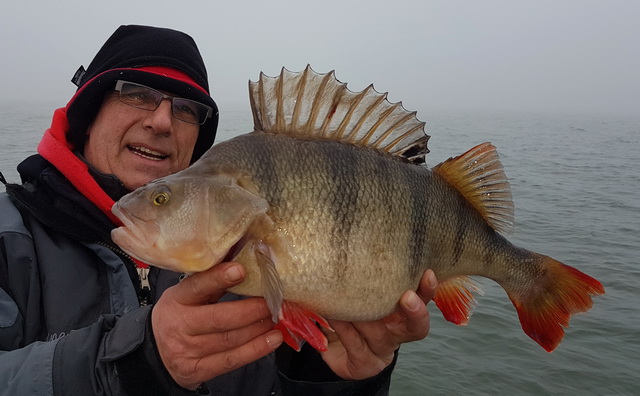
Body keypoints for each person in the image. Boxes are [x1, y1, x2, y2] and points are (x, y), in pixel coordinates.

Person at [0, 25, 438, 395]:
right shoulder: (8, 240)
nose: (162, 121)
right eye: (135, 92)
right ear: (88, 112)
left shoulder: (241, 265)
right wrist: (126, 366)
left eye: (187, 108)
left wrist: (336, 379)